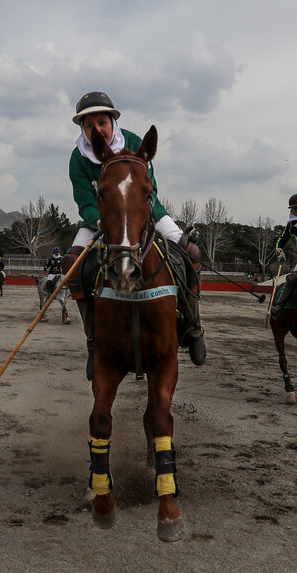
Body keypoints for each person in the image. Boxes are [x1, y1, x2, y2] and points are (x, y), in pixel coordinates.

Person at [64, 90, 205, 380]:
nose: (97, 130)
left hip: (144, 213)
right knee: (71, 265)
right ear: (82, 128)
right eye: (89, 125)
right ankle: (92, 338)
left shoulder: (133, 142)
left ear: (112, 121)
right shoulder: (78, 158)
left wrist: (132, 218)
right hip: (99, 219)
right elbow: (85, 203)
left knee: (191, 252)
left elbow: (149, 190)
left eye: (102, 122)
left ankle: (193, 326)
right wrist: (106, 221)